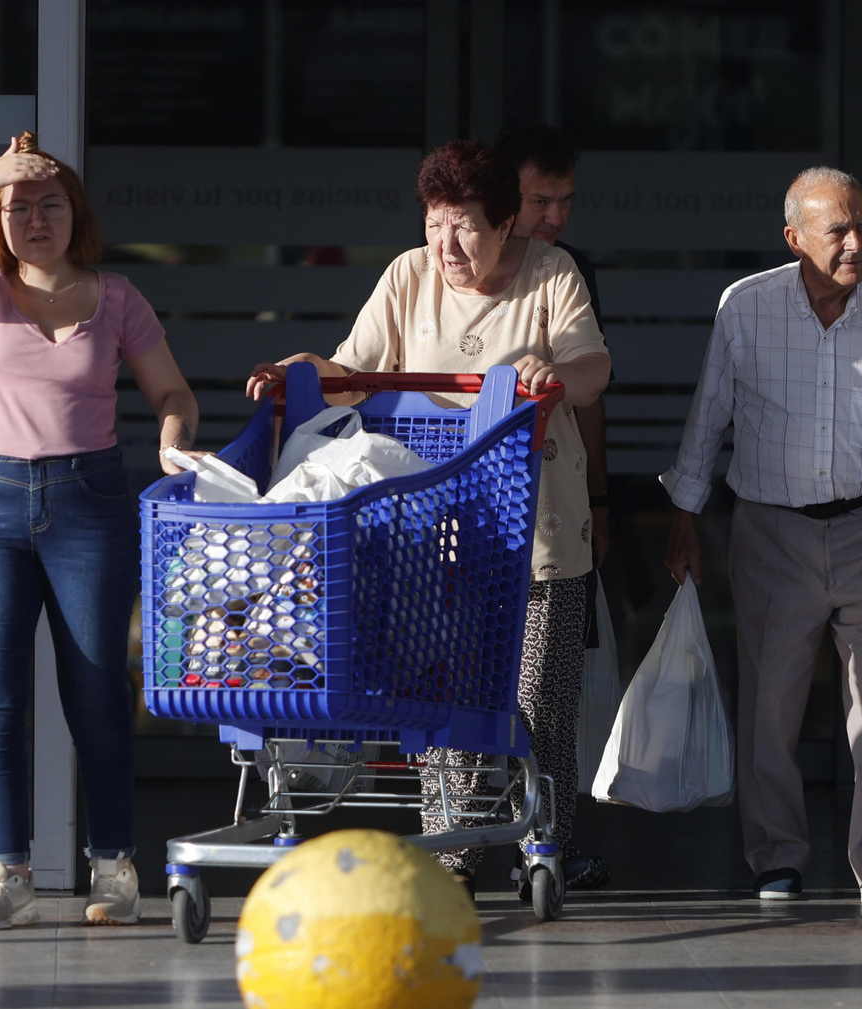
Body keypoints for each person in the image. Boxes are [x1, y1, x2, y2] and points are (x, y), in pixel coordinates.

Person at [246, 140, 612, 896]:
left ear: (506, 224)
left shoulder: (553, 275)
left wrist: (554, 374)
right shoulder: (406, 276)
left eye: (466, 226)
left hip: (537, 527)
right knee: (447, 701)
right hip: (436, 534)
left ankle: (545, 848)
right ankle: (453, 855)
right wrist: (298, 371)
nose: (447, 245)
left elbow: (593, 367)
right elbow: (353, 371)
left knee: (539, 700)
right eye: (435, 224)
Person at [0, 132, 200, 930]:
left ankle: (114, 866)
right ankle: (7, 872)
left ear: (77, 216)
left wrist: (173, 439)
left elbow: (173, 392)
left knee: (97, 689)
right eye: (19, 208)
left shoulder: (116, 296)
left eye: (51, 205)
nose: (36, 220)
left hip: (88, 498)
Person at [663, 167, 862, 904]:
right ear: (795, 237)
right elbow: (709, 415)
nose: (855, 242)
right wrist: (685, 515)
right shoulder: (746, 307)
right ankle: (776, 855)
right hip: (772, 530)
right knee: (771, 702)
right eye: (838, 230)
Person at [494, 125, 611, 576]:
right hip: (465, 503)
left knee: (556, 622)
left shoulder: (569, 268)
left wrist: (599, 500)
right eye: (540, 201)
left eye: (566, 201)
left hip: (557, 508)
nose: (556, 217)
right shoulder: (434, 264)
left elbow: (591, 391)